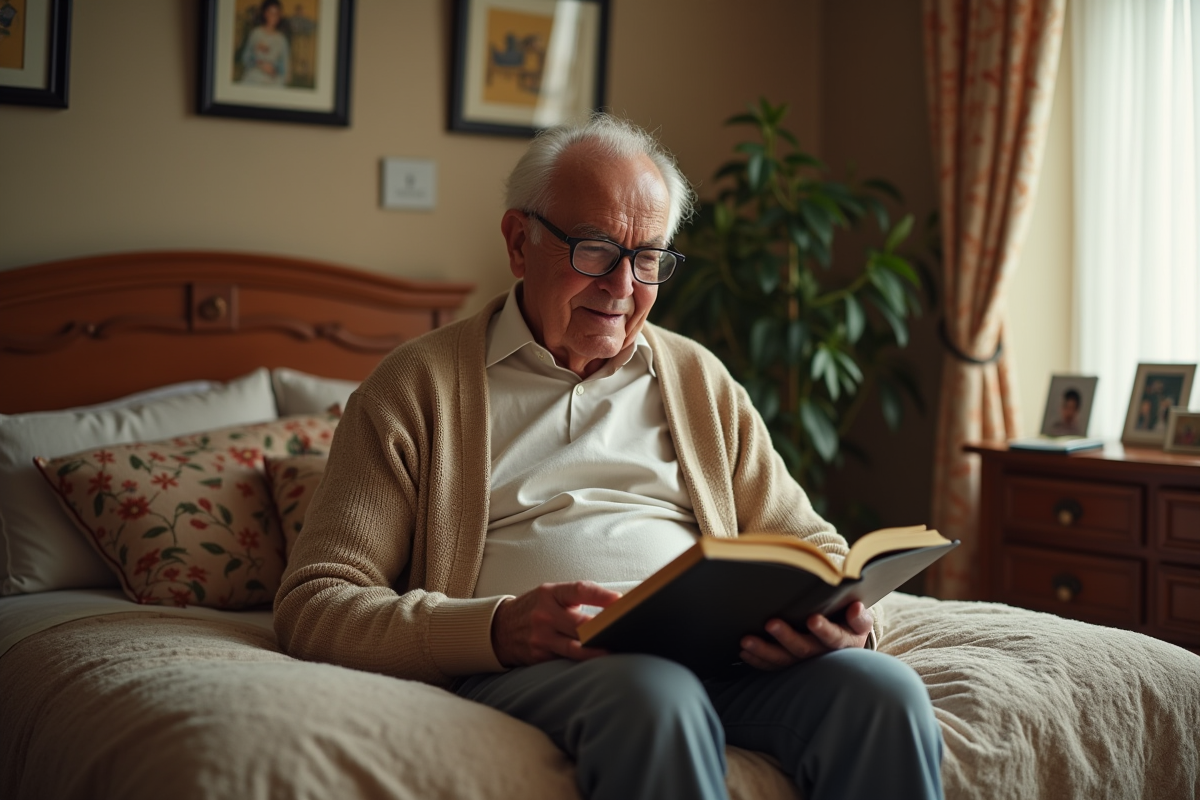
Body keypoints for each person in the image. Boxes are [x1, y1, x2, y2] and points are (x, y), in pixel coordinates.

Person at [275, 114, 943, 800]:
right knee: (656, 694)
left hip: (727, 662)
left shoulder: (698, 379)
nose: (622, 285)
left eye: (648, 258)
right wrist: (497, 629)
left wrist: (847, 624)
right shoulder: (416, 386)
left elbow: (812, 545)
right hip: (554, 672)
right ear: (519, 242)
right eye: (594, 250)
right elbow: (316, 601)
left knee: (881, 691)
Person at [238, 0, 290, 87]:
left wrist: (275, 70)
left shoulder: (281, 40)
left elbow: (285, 66)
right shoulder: (256, 34)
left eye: (276, 13)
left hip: (273, 80)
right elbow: (245, 58)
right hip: (254, 76)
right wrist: (260, 65)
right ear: (265, 13)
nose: (273, 16)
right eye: (270, 13)